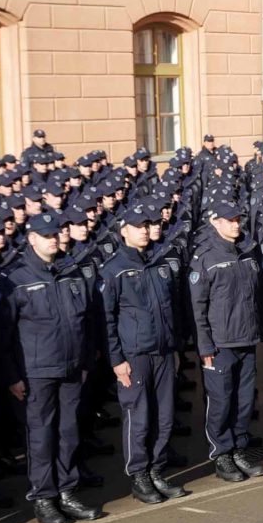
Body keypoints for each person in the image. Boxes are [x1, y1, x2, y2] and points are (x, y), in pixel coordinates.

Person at [0, 211, 111, 520]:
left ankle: (67, 490)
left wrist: (85, 362)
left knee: (69, 432)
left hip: (72, 368)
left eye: (56, 234)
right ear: (32, 239)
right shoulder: (16, 279)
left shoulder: (70, 271)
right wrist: (12, 376)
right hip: (37, 371)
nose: (53, 239)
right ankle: (44, 496)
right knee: (41, 436)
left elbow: (86, 321)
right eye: (46, 235)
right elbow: (3, 334)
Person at [101, 202, 187, 504]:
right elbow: (107, 320)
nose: (146, 231)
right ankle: (139, 475)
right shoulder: (113, 269)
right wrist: (117, 360)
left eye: (148, 225)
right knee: (139, 417)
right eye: (139, 226)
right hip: (135, 355)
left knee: (164, 416)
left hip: (163, 351)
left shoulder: (159, 262)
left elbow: (173, 309)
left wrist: (175, 347)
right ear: (124, 231)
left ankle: (156, 469)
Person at [189, 200, 263, 483]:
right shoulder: (205, 257)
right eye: (230, 220)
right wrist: (204, 346)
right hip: (220, 343)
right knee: (221, 401)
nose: (236, 224)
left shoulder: (247, 251)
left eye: (238, 219)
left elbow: (257, 297)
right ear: (216, 222)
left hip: (246, 338)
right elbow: (198, 308)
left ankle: (238, 447)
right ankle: (222, 452)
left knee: (244, 400)